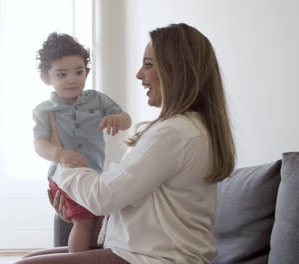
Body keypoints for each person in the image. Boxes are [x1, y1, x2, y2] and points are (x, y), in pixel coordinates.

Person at [17, 23, 236, 264]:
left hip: (155, 258)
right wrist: (84, 212)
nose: (139, 74)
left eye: (148, 65)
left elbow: (103, 197)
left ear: (177, 71)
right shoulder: (186, 129)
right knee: (30, 258)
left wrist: (62, 163)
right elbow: (140, 203)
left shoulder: (175, 133)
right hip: (145, 250)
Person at [32, 32, 132, 253]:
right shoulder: (44, 110)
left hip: (92, 176)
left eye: (79, 72)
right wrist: (61, 155)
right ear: (46, 78)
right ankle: (76, 259)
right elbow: (39, 144)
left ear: (87, 72)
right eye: (62, 74)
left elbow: (126, 119)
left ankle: (90, 255)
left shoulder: (97, 100)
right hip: (62, 177)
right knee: (84, 221)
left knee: (98, 221)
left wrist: (118, 119)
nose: (72, 79)